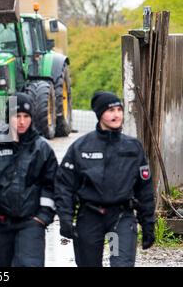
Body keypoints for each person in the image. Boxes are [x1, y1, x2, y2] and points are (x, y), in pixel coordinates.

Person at [55, 91, 156, 267]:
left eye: (119, 109)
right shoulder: (81, 147)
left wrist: (148, 223)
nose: (116, 115)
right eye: (110, 110)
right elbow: (64, 185)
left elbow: (144, 189)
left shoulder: (132, 148)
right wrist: (65, 218)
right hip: (90, 218)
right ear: (100, 114)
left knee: (120, 263)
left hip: (120, 219)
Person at [0, 92, 58, 267]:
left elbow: (52, 185)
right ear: (9, 117)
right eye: (17, 116)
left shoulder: (42, 149)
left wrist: (43, 217)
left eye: (26, 116)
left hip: (31, 223)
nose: (22, 122)